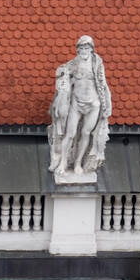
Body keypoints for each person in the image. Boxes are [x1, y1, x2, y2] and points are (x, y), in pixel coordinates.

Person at [50, 36, 112, 177]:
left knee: (86, 133)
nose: (84, 51)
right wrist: (62, 82)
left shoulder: (96, 64)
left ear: (91, 49)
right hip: (76, 103)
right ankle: (63, 162)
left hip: (93, 105)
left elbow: (103, 85)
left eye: (87, 48)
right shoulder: (73, 64)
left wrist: (107, 104)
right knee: (70, 133)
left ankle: (78, 162)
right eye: (81, 48)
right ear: (78, 50)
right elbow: (61, 74)